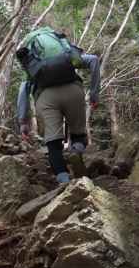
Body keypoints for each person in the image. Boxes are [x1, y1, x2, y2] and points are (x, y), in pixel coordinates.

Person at [16, 43, 101, 185]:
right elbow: (93, 60)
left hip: (46, 97)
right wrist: (94, 94)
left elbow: (23, 89)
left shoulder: (33, 64)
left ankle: (64, 182)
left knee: (54, 145)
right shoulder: (66, 57)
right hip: (73, 91)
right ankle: (76, 150)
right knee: (79, 136)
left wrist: (23, 122)